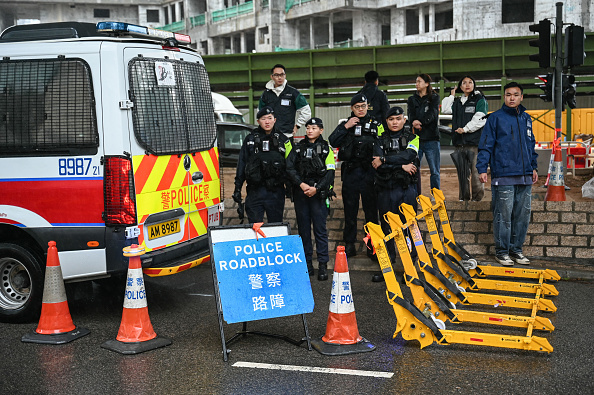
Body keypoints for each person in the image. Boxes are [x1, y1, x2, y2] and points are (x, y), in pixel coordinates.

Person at [476, 82, 538, 267]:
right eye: (508, 94)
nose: (512, 98)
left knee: (521, 216)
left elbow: (530, 145)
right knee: (503, 215)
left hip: (525, 175)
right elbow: (486, 144)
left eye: (515, 95)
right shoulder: (495, 118)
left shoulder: (527, 119)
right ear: (504, 97)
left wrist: (533, 167)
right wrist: (482, 168)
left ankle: (516, 250)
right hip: (503, 175)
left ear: (521, 97)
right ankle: (502, 252)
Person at [329, 93, 383, 262]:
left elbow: (383, 142)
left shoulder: (377, 124)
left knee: (371, 212)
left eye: (363, 106)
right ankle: (350, 244)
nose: (360, 110)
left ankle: (372, 246)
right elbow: (332, 141)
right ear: (352, 108)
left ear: (368, 107)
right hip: (351, 173)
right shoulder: (346, 124)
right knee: (350, 212)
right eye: (357, 107)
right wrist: (346, 126)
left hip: (369, 173)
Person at [371, 107, 420, 282]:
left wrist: (385, 159)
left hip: (406, 190)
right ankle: (388, 268)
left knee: (408, 228)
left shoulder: (413, 138)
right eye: (391, 119)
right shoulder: (378, 140)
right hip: (385, 189)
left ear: (404, 120)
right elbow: (377, 165)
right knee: (387, 230)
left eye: (398, 119)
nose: (394, 122)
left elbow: (410, 155)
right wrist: (400, 166)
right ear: (386, 121)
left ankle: (409, 268)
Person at [286, 117, 335, 281]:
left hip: (318, 194)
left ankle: (322, 265)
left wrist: (317, 188)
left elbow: (330, 173)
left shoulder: (326, 148)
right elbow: (290, 168)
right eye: (308, 128)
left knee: (320, 231)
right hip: (301, 194)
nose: (310, 131)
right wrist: (301, 185)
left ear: (321, 130)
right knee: (303, 231)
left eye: (314, 128)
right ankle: (307, 264)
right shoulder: (298, 148)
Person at [233, 106, 292, 223]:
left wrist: (291, 188)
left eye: (270, 118)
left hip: (276, 192)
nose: (267, 122)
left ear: (275, 120)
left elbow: (290, 166)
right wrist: (237, 187)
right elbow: (242, 164)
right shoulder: (250, 140)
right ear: (258, 121)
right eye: (263, 119)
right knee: (255, 228)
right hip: (255, 191)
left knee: (275, 227)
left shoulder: (284, 140)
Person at [441, 75, 488, 201]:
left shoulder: (480, 100)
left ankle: (477, 201)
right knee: (462, 175)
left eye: (470, 82)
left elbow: (480, 118)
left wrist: (465, 129)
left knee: (476, 173)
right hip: (459, 144)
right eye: (464, 83)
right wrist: (451, 95)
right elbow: (445, 109)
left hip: (475, 143)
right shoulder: (456, 102)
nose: (467, 85)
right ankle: (464, 201)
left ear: (474, 85)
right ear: (460, 86)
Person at [407, 73, 441, 191]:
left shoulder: (434, 97)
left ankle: (436, 196)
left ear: (427, 84)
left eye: (419, 81)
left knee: (435, 171)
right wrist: (413, 121)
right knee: (414, 168)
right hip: (416, 139)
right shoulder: (412, 99)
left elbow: (432, 114)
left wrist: (420, 122)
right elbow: (410, 114)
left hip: (432, 138)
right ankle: (415, 194)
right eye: (416, 81)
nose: (417, 84)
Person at [258, 64, 311, 137]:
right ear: (272, 77)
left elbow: (306, 111)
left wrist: (297, 126)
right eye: (276, 75)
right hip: (269, 136)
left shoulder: (293, 93)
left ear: (285, 76)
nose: (279, 77)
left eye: (282, 74)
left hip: (287, 135)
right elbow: (260, 112)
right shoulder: (266, 94)